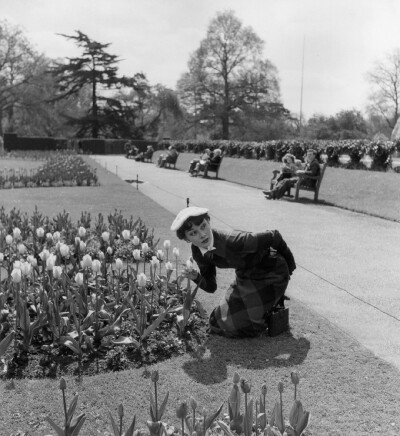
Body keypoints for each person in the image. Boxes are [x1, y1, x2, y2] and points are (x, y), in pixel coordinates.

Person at [171, 206, 296, 337]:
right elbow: (211, 286)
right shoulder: (198, 252)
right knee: (216, 321)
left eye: (203, 226)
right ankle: (262, 305)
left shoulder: (233, 240)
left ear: (208, 222)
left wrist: (290, 269)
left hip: (272, 272)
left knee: (241, 325)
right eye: (193, 233)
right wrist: (196, 277)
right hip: (246, 275)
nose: (202, 234)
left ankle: (268, 308)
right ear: (186, 239)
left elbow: (273, 236)